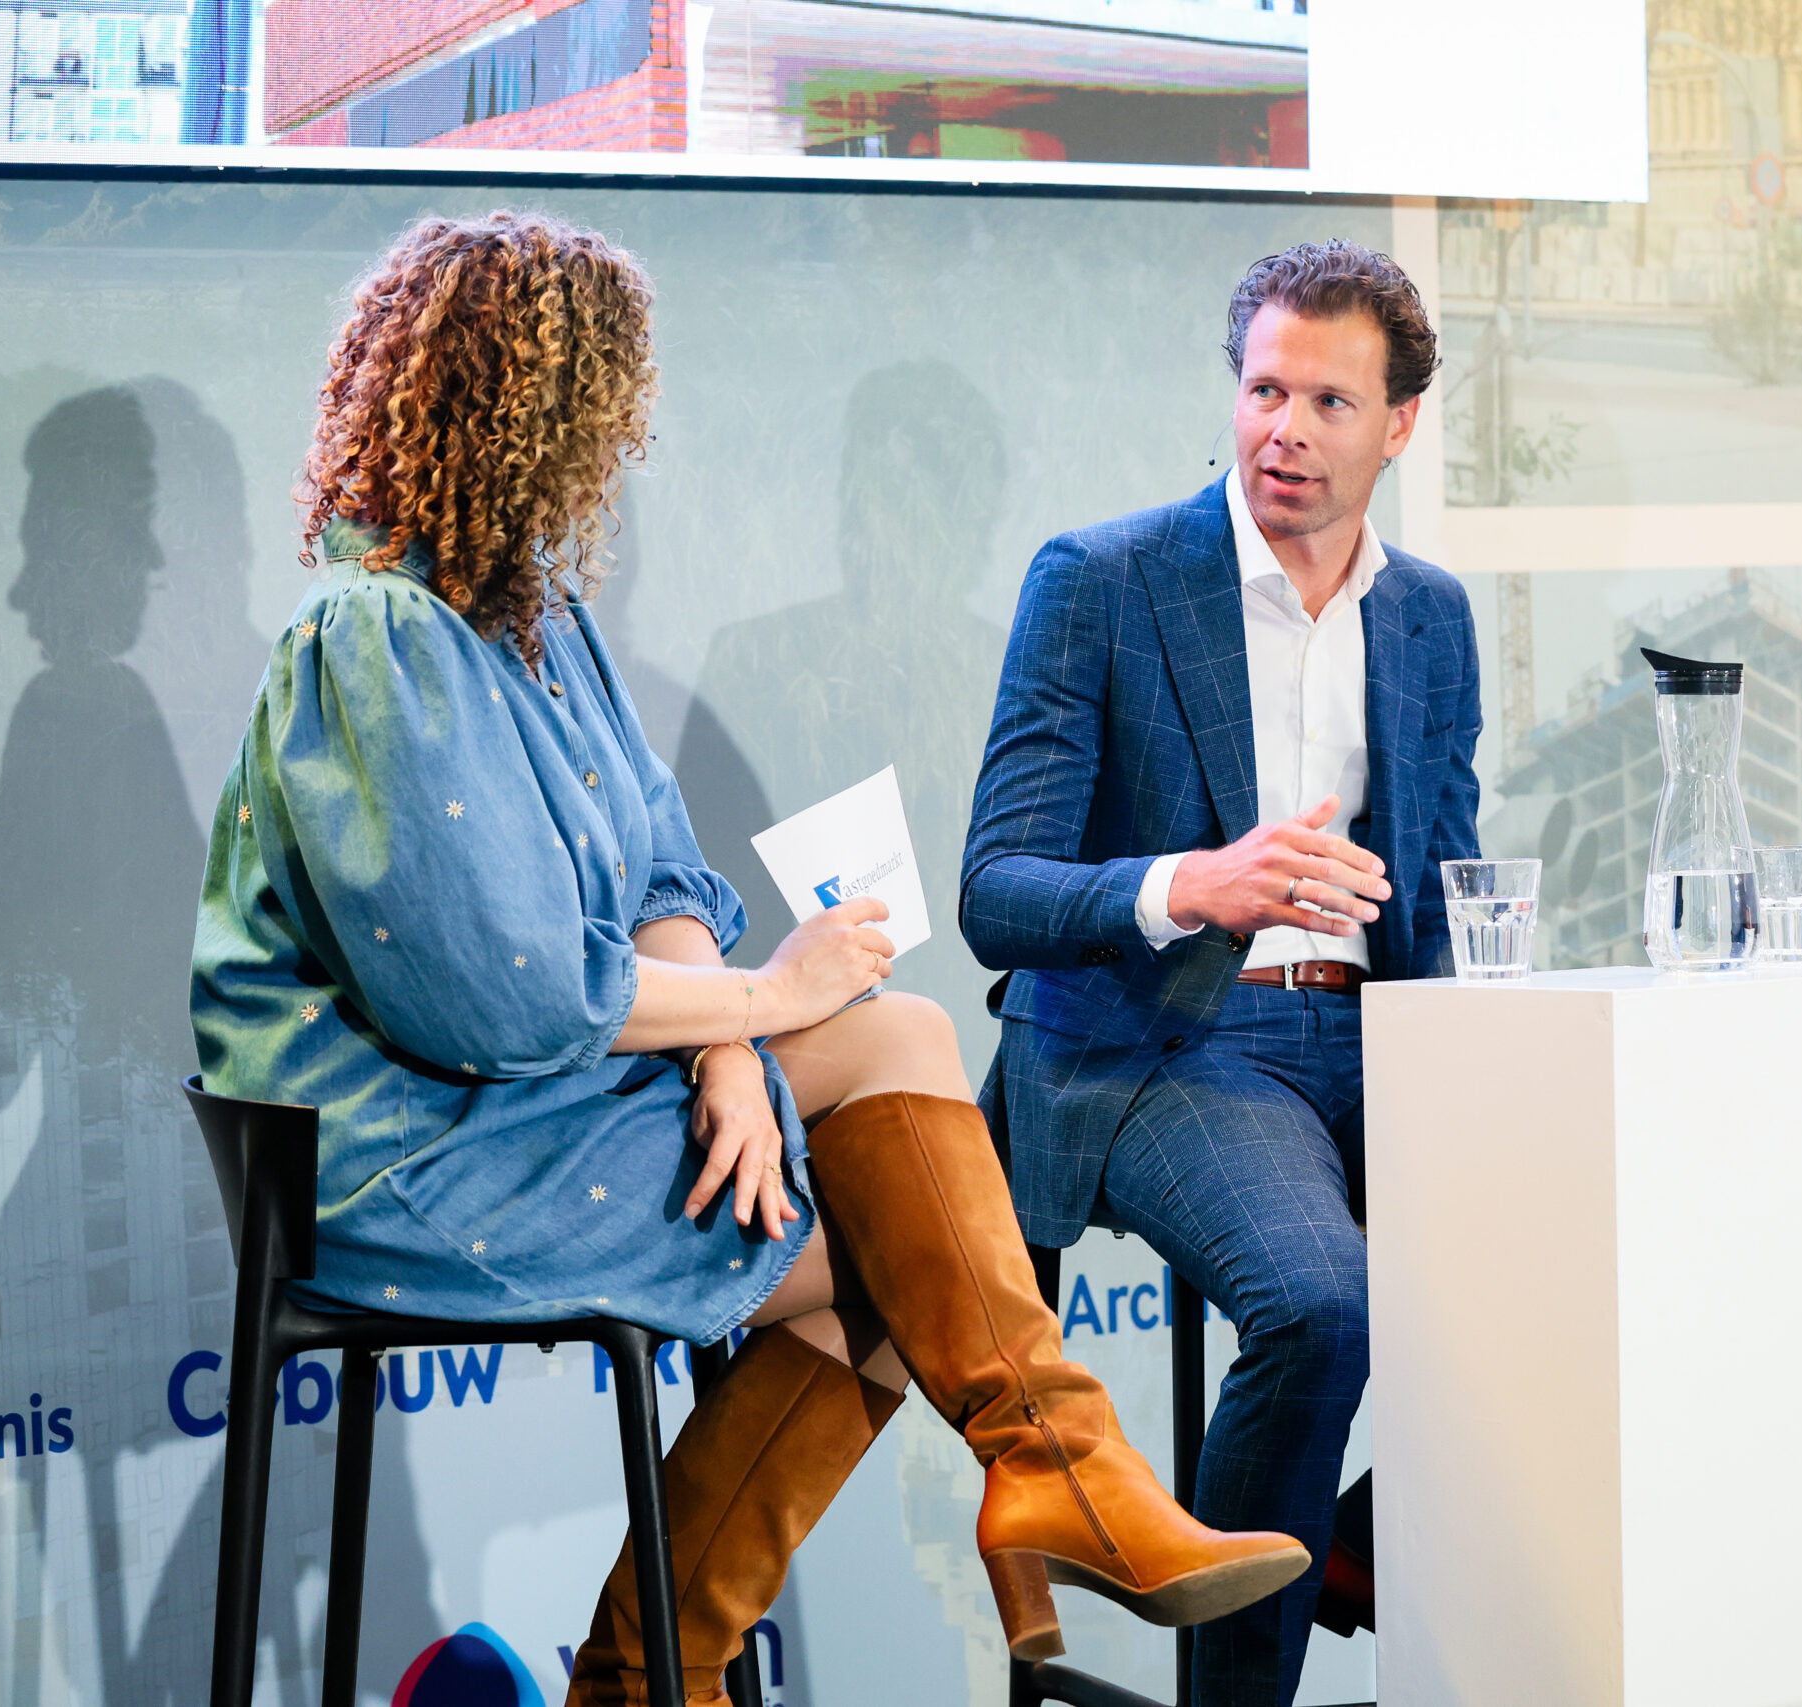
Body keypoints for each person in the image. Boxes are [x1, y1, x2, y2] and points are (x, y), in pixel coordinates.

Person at [188, 211, 1305, 1706]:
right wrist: (765, 1000)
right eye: (603, 417)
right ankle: (688, 1656)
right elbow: (497, 998)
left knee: (902, 1065)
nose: (619, 457)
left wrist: (729, 1043)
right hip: (411, 1148)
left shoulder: (529, 616)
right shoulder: (379, 639)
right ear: (527, 415)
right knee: (904, 1277)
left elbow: (656, 863)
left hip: (538, 1096)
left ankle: (1044, 1469)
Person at [962, 240, 1484, 1704]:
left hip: (1377, 1043)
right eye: (1265, 390)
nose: (1285, 430)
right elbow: (995, 892)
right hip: (1171, 1042)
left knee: (1593, 1252)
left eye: (1328, 401)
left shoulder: (1428, 615)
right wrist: (1195, 888)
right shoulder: (1106, 582)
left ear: (1399, 424)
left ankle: (1360, 1549)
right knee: (1324, 1306)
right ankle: (1236, 1692)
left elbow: (1441, 883)